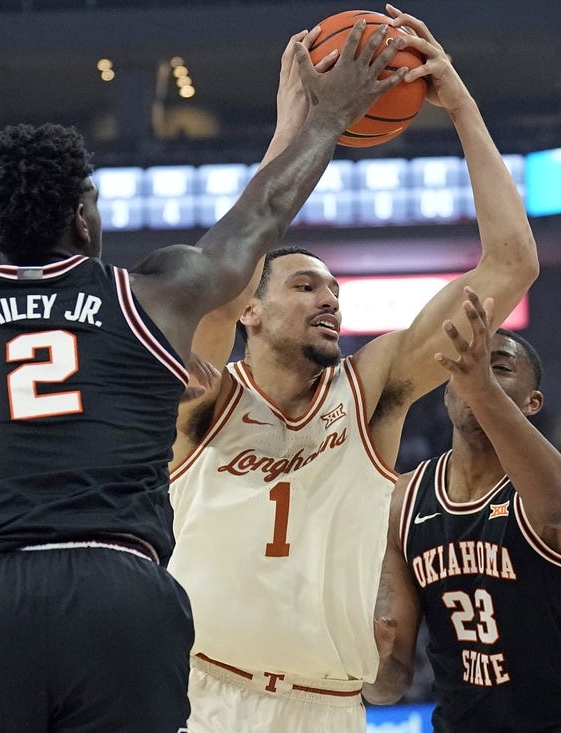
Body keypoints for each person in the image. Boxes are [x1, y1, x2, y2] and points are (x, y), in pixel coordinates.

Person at [0, 22, 407, 733]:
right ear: (82, 219)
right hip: (116, 589)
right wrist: (324, 118)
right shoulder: (150, 296)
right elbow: (257, 221)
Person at [167, 6, 540, 732]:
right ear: (253, 311)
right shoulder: (201, 393)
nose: (329, 301)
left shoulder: (370, 391)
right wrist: (296, 132)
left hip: (329, 707)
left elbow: (511, 265)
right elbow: (224, 269)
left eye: (336, 291)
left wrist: (460, 105)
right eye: (305, 286)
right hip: (204, 696)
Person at [365, 288, 561, 733]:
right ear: (446, 392)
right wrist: (364, 657)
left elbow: (558, 509)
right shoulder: (402, 500)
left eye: (500, 367)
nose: (478, 373)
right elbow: (389, 682)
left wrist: (482, 388)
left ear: (532, 402)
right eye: (467, 367)